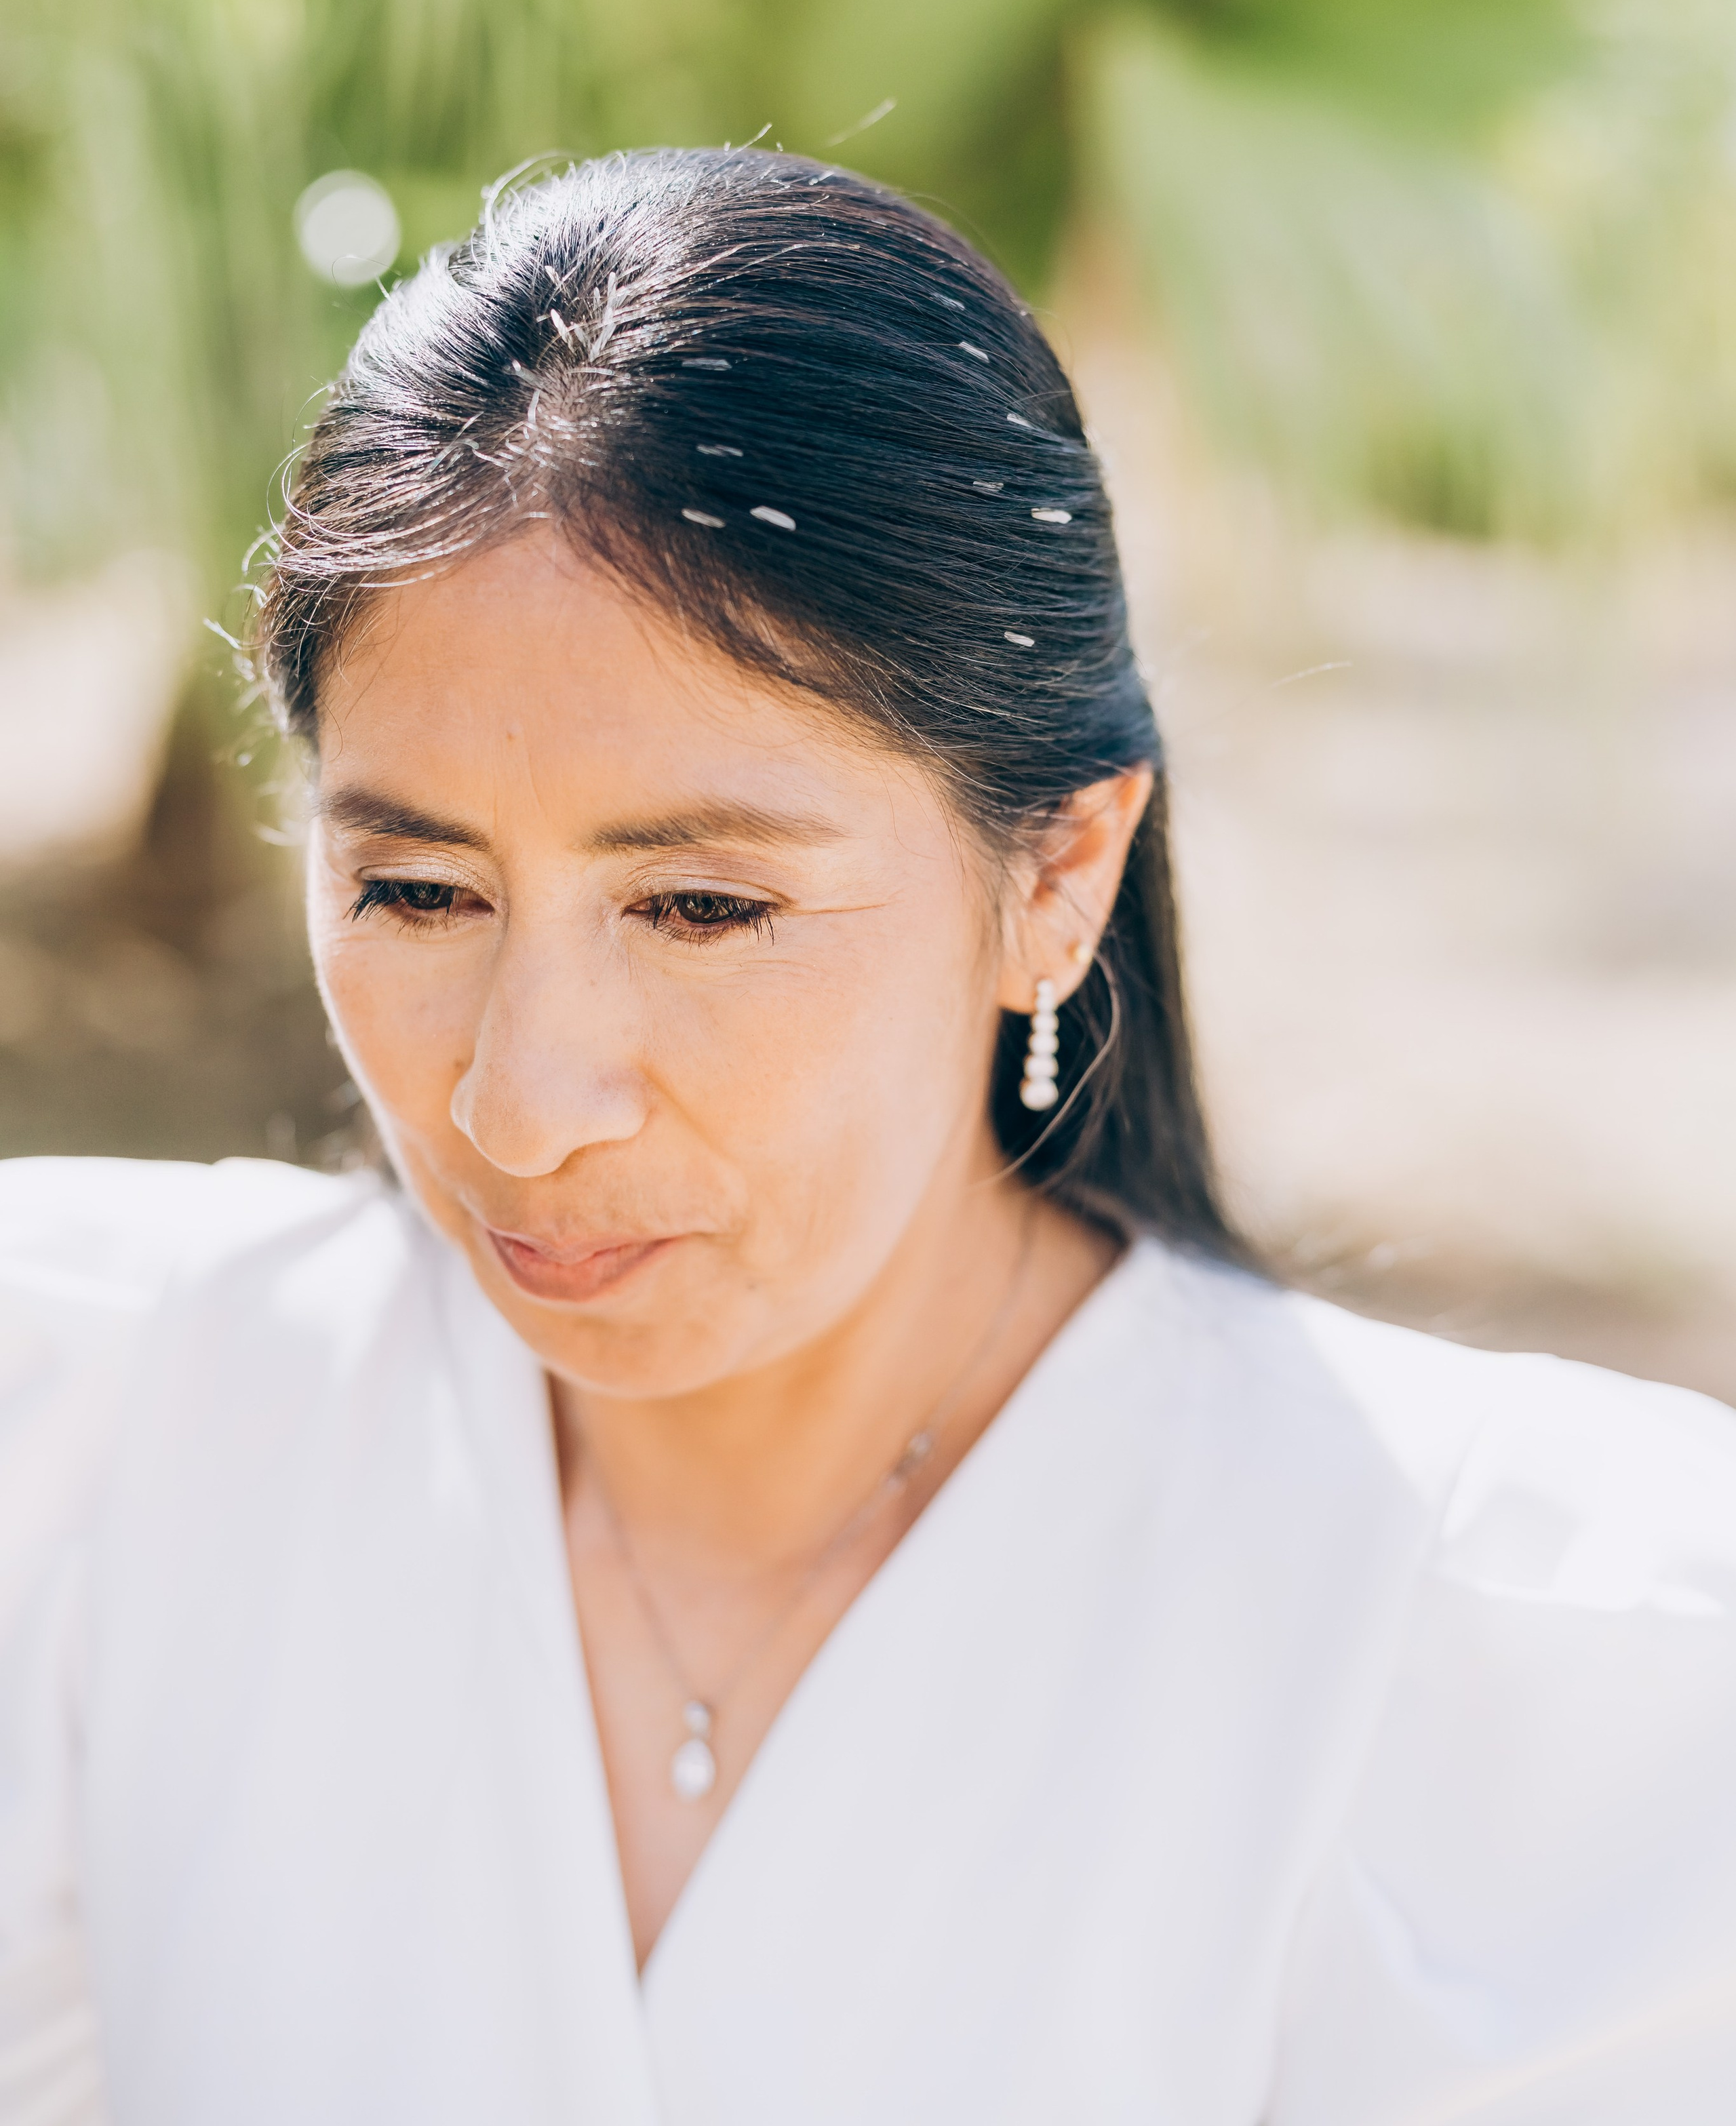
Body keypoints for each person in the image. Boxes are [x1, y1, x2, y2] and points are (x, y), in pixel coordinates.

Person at [3, 149, 1734, 2126]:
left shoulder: (1522, 1666)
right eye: (418, 893)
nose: (518, 1103)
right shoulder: (97, 1450)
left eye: (704, 909)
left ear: (1058, 873)